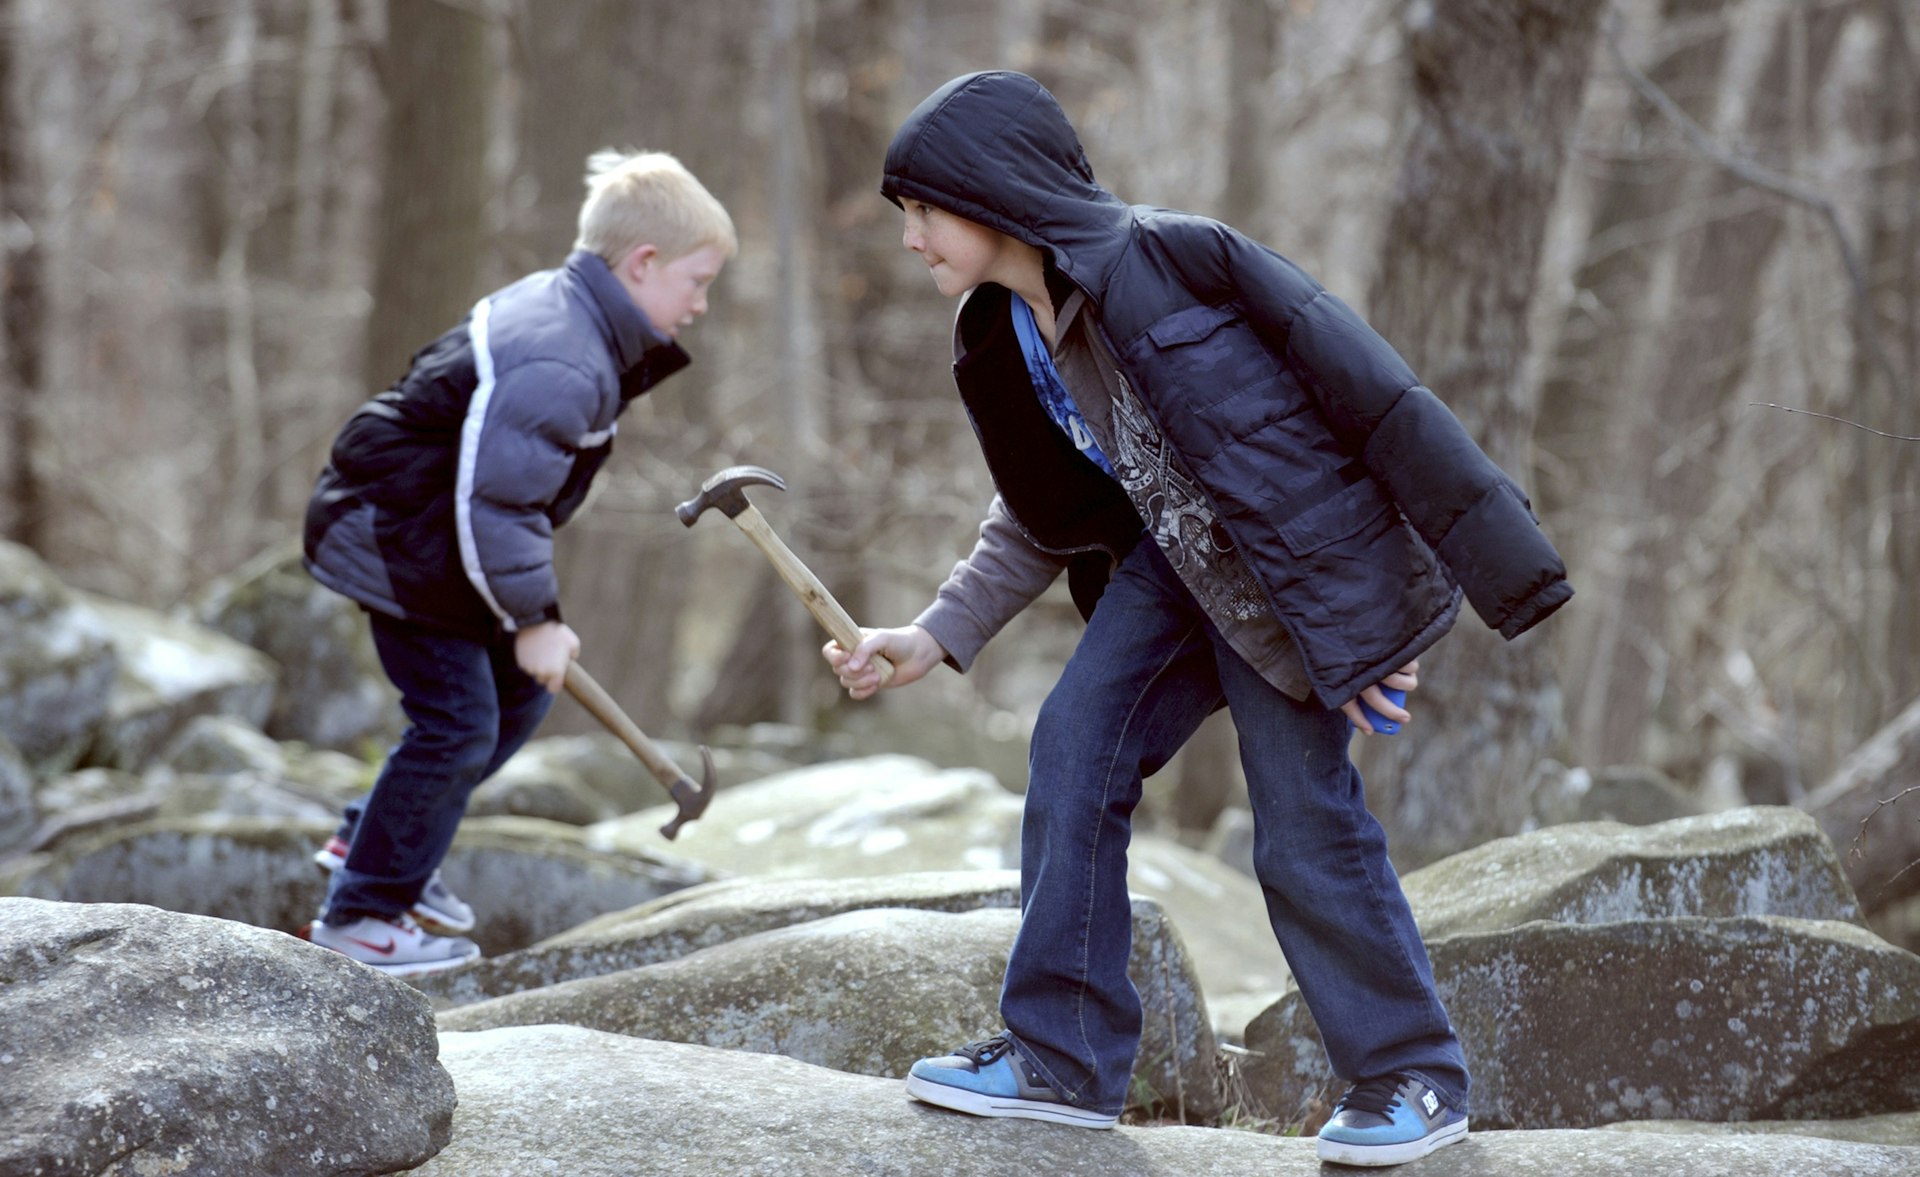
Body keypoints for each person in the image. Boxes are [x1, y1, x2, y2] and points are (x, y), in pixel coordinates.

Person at [823, 71, 1571, 1167]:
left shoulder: (1169, 263)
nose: (911, 241)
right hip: (1174, 575)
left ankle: (1412, 1075)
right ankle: (1062, 1061)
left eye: (924, 212)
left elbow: (1350, 417)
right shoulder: (1009, 332)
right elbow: (1042, 507)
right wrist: (933, 634)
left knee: (1302, 826)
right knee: (1073, 747)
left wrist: (1358, 631)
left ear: (991, 196)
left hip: (1282, 582)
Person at [300, 149, 734, 977]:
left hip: (436, 537)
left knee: (515, 701)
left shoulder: (579, 323)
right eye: (697, 280)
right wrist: (535, 619)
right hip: (399, 535)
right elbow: (496, 502)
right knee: (458, 722)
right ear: (642, 264)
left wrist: (534, 629)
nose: (702, 304)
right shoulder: (563, 356)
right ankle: (362, 912)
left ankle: (373, 838)